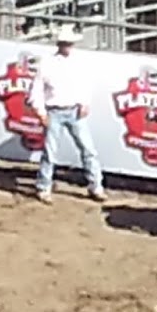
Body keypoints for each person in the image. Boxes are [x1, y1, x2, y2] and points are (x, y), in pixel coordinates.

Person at [27, 24, 106, 205]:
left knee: (87, 149)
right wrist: (41, 112)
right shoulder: (47, 64)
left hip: (73, 110)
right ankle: (44, 186)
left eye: (69, 43)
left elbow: (85, 84)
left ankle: (96, 186)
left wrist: (85, 102)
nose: (68, 46)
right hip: (54, 111)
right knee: (50, 152)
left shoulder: (77, 63)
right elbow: (36, 90)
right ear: (60, 44)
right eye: (65, 43)